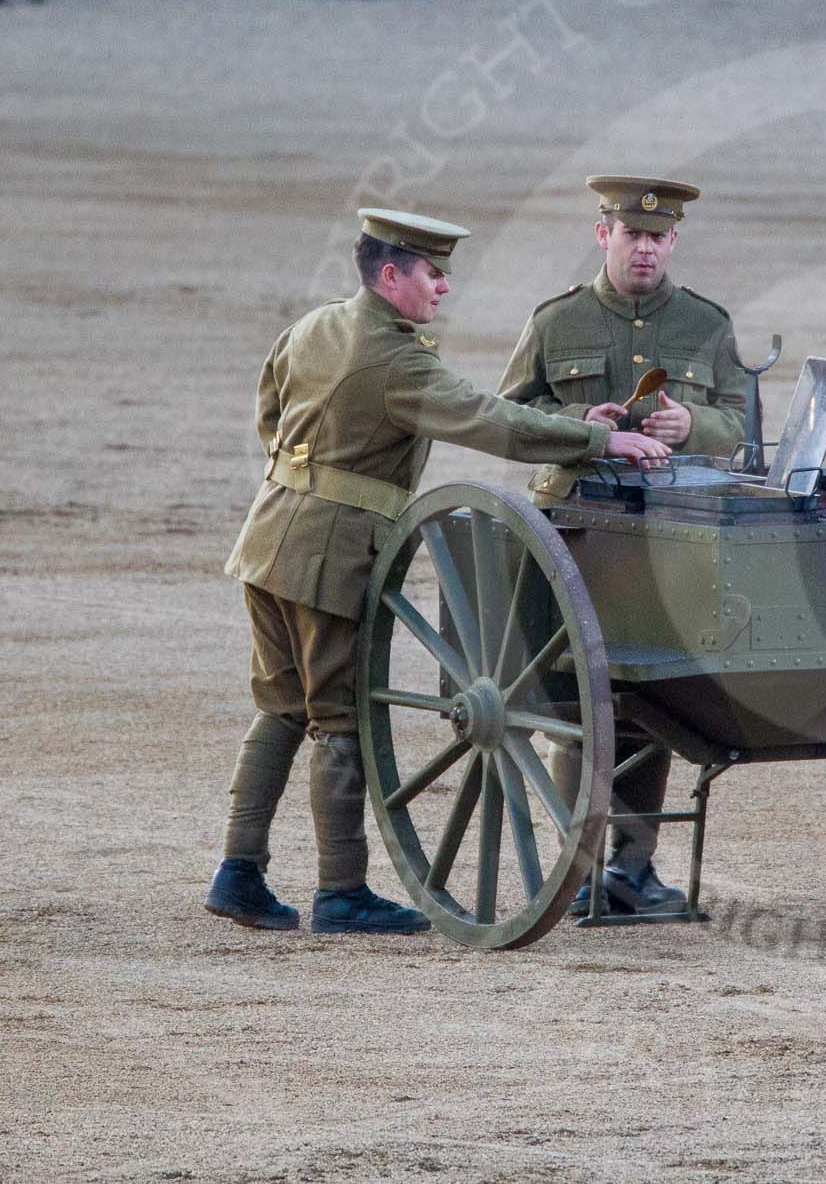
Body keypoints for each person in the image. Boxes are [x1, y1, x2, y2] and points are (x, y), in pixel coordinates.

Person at [206, 210, 670, 935]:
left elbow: (271, 414)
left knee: (280, 706)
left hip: (267, 540)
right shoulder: (395, 360)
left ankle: (238, 870)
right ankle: (342, 890)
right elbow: (496, 423)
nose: (444, 287)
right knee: (336, 721)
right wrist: (599, 437)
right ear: (390, 275)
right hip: (330, 556)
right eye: (432, 273)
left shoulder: (315, 326)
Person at [497, 176, 747, 917]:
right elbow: (510, 416)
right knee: (579, 695)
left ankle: (634, 868)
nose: (644, 248)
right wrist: (581, 420)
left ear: (674, 242)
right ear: (602, 234)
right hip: (572, 528)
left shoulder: (707, 323)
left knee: (655, 694)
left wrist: (690, 427)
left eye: (657, 237)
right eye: (631, 235)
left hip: (667, 533)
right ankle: (578, 864)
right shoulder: (557, 319)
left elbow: (739, 424)